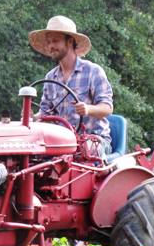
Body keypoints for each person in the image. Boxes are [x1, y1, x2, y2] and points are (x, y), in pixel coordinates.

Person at [29, 15, 114, 155]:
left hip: (94, 140)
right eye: (49, 42)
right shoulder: (51, 77)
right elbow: (45, 113)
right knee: (34, 152)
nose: (50, 46)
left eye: (55, 41)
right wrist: (33, 118)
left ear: (69, 41)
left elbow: (107, 108)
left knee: (84, 150)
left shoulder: (93, 71)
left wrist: (88, 109)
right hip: (63, 142)